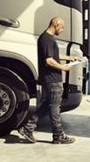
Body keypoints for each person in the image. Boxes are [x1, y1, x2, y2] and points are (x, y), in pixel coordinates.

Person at [18, 16, 79, 144]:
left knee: (48, 105)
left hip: (50, 79)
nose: (62, 30)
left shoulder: (47, 38)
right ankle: (58, 135)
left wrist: (69, 58)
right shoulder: (47, 39)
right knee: (55, 108)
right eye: (62, 27)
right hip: (52, 79)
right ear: (56, 24)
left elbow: (53, 56)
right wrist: (63, 67)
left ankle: (28, 128)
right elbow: (48, 61)